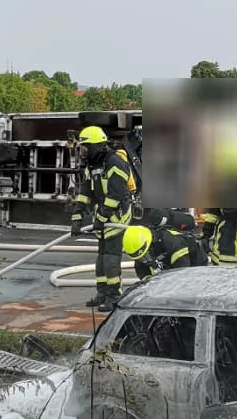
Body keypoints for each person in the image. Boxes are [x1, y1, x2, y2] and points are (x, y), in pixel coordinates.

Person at [69, 126, 133, 311]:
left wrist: (102, 217)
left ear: (96, 146)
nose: (83, 151)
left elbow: (116, 194)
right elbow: (84, 194)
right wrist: (77, 218)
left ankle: (114, 297)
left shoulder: (115, 163)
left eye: (85, 147)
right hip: (104, 217)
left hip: (116, 218)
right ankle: (103, 293)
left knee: (111, 258)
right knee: (101, 258)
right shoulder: (93, 166)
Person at [122, 218, 207, 280]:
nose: (143, 259)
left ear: (150, 244)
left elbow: (182, 273)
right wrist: (147, 281)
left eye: (144, 256)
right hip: (169, 263)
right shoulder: (141, 246)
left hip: (195, 264)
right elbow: (140, 267)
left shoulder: (173, 244)